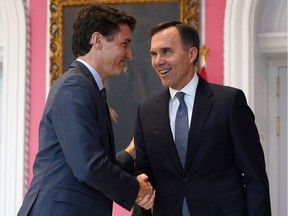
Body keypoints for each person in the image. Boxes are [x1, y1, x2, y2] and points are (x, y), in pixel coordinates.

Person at [17, 4, 154, 216]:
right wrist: (136, 188)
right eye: (124, 44)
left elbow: (87, 162)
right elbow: (89, 167)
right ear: (97, 40)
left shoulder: (87, 87)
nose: (129, 54)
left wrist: (130, 153)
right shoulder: (75, 87)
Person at [134, 21, 271, 216]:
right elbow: (143, 169)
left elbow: (254, 176)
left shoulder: (229, 102)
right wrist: (142, 187)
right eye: (153, 54)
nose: (158, 61)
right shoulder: (146, 111)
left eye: (166, 51)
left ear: (192, 54)